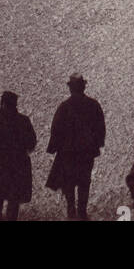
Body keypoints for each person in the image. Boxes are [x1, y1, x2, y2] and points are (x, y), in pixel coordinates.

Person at [45, 74, 107, 220]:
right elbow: (100, 128)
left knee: (69, 183)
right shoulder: (93, 105)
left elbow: (56, 130)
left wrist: (53, 148)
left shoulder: (64, 107)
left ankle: (71, 212)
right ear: (83, 87)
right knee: (84, 182)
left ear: (71, 88)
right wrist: (97, 145)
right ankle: (82, 213)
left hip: (68, 154)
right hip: (87, 154)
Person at [0, 91, 37, 221]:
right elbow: (32, 143)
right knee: (14, 195)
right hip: (18, 167)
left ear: (3, 105)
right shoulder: (24, 121)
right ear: (15, 105)